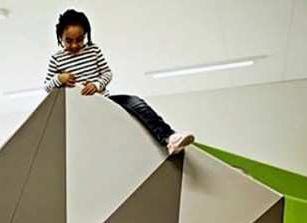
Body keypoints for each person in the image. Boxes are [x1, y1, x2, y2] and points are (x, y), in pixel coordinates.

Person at [44, 9, 195, 155]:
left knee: (134, 102)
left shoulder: (93, 50)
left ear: (86, 35)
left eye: (80, 39)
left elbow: (107, 73)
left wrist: (96, 85)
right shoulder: (57, 59)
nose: (75, 45)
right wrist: (59, 78)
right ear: (60, 38)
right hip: (79, 109)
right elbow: (47, 87)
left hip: (103, 100)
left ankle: (169, 137)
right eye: (69, 41)